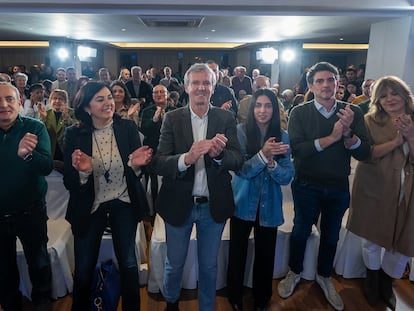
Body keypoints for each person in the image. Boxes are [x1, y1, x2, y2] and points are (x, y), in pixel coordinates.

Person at [277, 62, 370, 311]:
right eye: (320, 81)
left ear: (338, 83)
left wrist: (348, 131)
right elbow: (299, 151)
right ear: (311, 85)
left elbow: (363, 152)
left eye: (331, 80)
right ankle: (294, 272)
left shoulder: (352, 112)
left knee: (331, 236)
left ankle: (324, 276)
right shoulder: (300, 113)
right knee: (300, 231)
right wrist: (332, 138)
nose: (326, 85)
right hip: (306, 185)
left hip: (338, 187)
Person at [152, 63, 243, 311]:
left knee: (209, 265)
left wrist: (218, 156)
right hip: (179, 203)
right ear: (186, 86)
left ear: (214, 87)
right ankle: (172, 303)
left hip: (213, 206)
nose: (201, 87)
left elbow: (238, 159)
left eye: (207, 83)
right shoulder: (172, 118)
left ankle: (206, 308)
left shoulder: (225, 117)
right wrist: (187, 159)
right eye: (196, 83)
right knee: (175, 263)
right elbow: (159, 162)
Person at [63, 82, 153, 311]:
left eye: (109, 97)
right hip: (90, 206)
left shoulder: (127, 128)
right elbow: (69, 182)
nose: (108, 103)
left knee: (129, 264)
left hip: (123, 202)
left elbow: (136, 169)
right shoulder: (74, 134)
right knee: (84, 268)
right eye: (100, 99)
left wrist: (136, 166)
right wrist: (83, 174)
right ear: (86, 108)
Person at [347, 76, 414, 310]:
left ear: (405, 95)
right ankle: (372, 280)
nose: (389, 99)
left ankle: (388, 282)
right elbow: (367, 153)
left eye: (394, 93)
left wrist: (411, 137)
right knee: (372, 237)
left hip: (409, 190)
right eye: (383, 96)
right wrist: (397, 141)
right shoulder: (369, 120)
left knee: (405, 242)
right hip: (376, 184)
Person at [227, 88, 294, 311]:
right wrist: (264, 155)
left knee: (265, 257)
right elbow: (242, 170)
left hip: (270, 206)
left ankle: (262, 299)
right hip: (243, 202)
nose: (262, 110)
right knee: (237, 253)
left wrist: (273, 164)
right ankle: (234, 296)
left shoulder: (283, 136)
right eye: (258, 105)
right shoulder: (240, 132)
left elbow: (287, 176)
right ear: (252, 108)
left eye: (267, 106)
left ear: (274, 109)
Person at [0, 82, 54, 311]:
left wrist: (27, 155)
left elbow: (47, 167)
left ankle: (42, 303)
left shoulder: (35, 127)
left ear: (19, 101)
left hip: (30, 210)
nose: (3, 105)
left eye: (9, 99)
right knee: (3, 267)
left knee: (38, 262)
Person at [38, 89, 76, 169]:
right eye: (54, 98)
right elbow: (41, 133)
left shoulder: (72, 113)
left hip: (66, 150)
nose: (57, 101)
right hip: (51, 150)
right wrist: (43, 119)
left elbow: (76, 129)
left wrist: (67, 119)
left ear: (65, 101)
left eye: (60, 99)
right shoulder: (45, 113)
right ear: (50, 100)